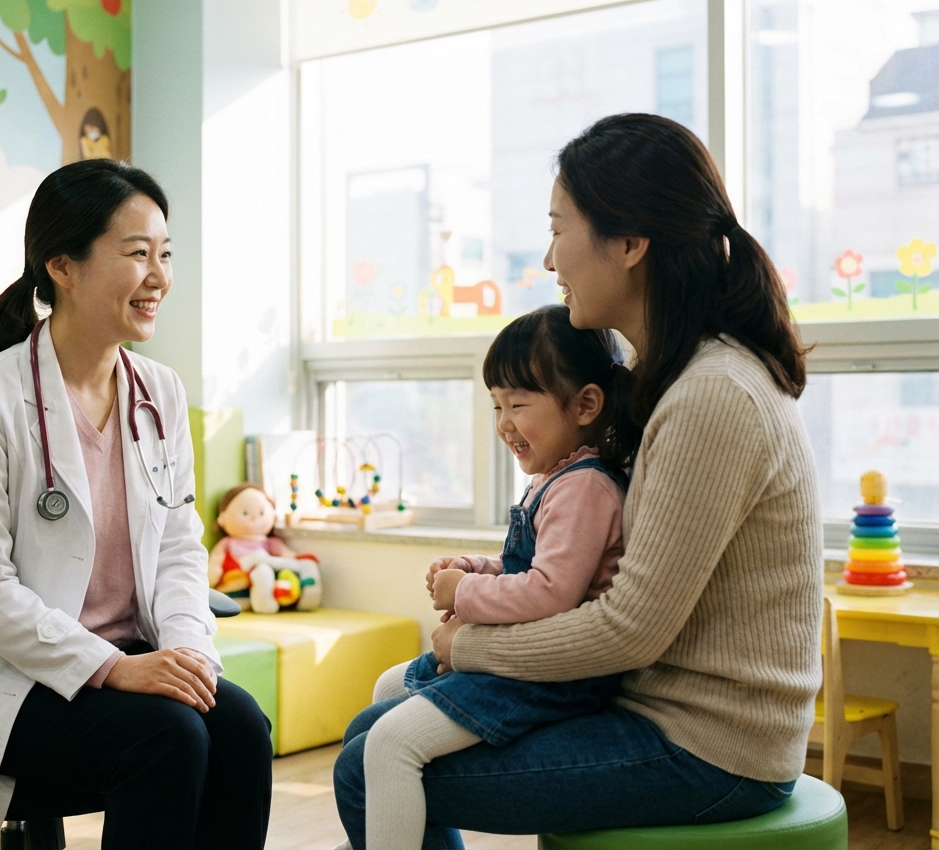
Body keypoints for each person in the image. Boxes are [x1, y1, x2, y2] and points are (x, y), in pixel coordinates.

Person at [334, 113, 821, 849]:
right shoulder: (677, 380)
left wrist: (468, 646)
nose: (550, 256)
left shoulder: (712, 395)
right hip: (664, 712)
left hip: (710, 749)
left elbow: (630, 628)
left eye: (560, 227)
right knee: (376, 732)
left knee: (367, 764)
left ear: (629, 244)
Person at [0, 160, 273, 850]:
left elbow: (180, 549)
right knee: (168, 737)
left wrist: (184, 653)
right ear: (63, 265)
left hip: (131, 654)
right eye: (137, 254)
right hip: (9, 677)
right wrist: (116, 669)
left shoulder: (161, 393)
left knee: (238, 725)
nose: (159, 276)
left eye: (165, 254)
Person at [362, 305, 637, 849]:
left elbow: (550, 592)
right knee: (388, 686)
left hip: (550, 679)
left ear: (585, 404)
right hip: (521, 666)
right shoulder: (556, 479)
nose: (504, 422)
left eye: (518, 404)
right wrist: (474, 567)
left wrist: (465, 592)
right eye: (496, 405)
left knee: (391, 742)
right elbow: (533, 568)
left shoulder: (586, 488)